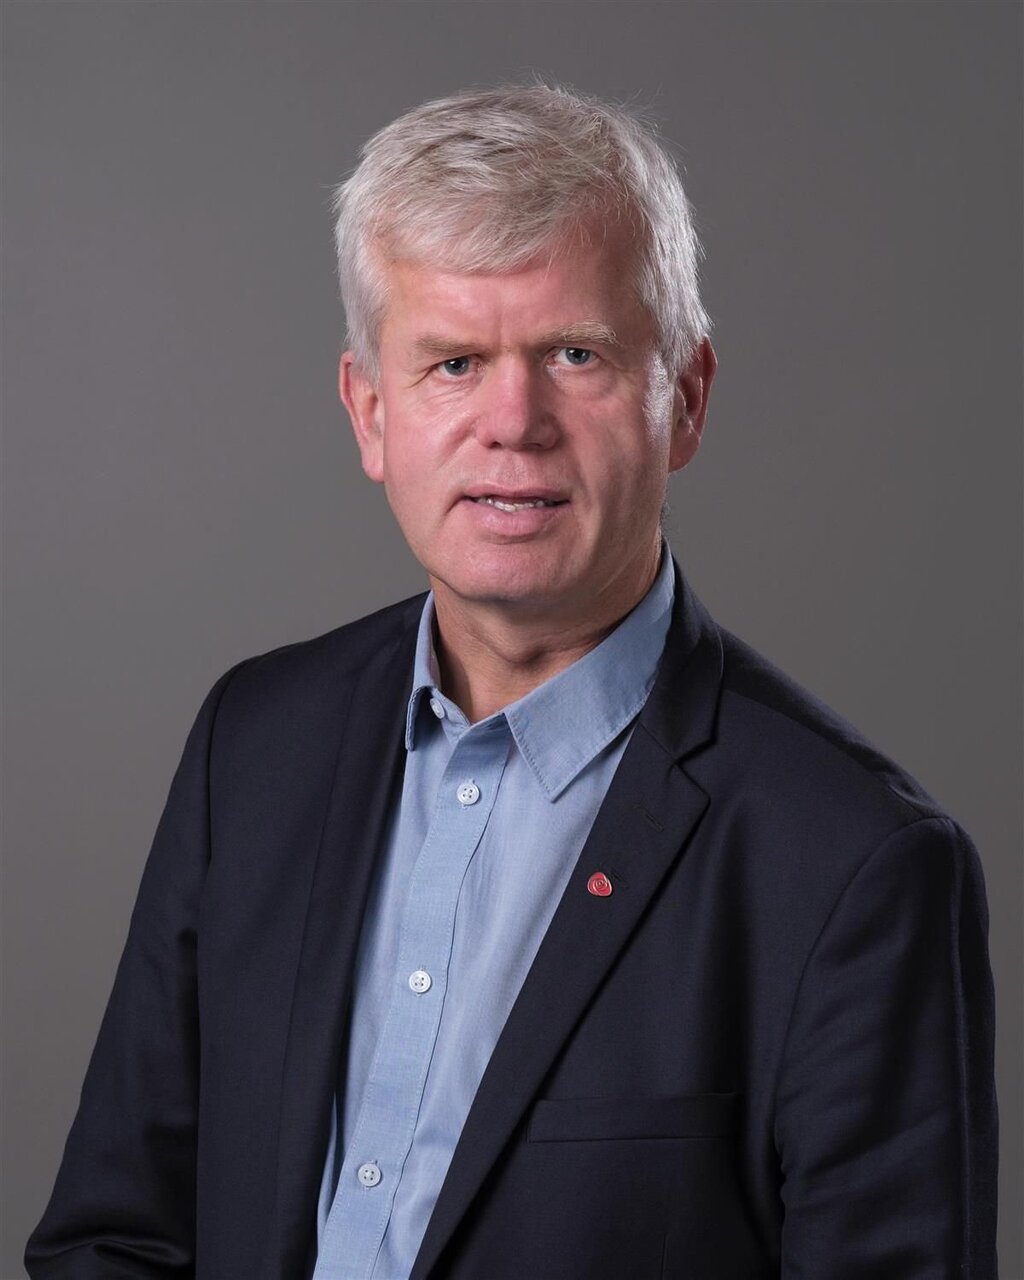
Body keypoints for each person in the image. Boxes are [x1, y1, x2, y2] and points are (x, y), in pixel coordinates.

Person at [26, 83, 997, 1280]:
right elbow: (114, 1234)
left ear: (684, 400)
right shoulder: (255, 744)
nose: (513, 421)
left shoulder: (854, 862)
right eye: (452, 362)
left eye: (575, 354)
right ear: (369, 411)